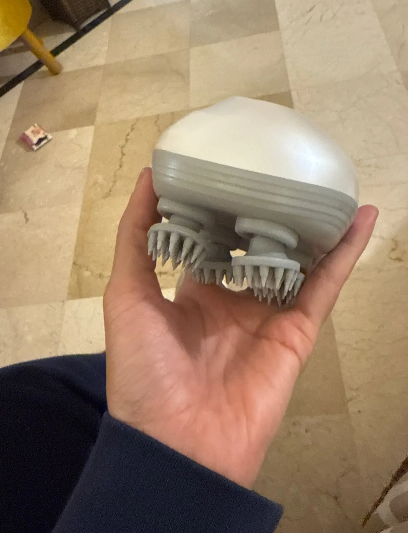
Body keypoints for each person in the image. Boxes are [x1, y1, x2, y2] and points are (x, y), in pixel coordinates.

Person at [0, 168, 378, 533]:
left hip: (38, 405)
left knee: (84, 382)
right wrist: (177, 460)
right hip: (51, 417)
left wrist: (165, 444)